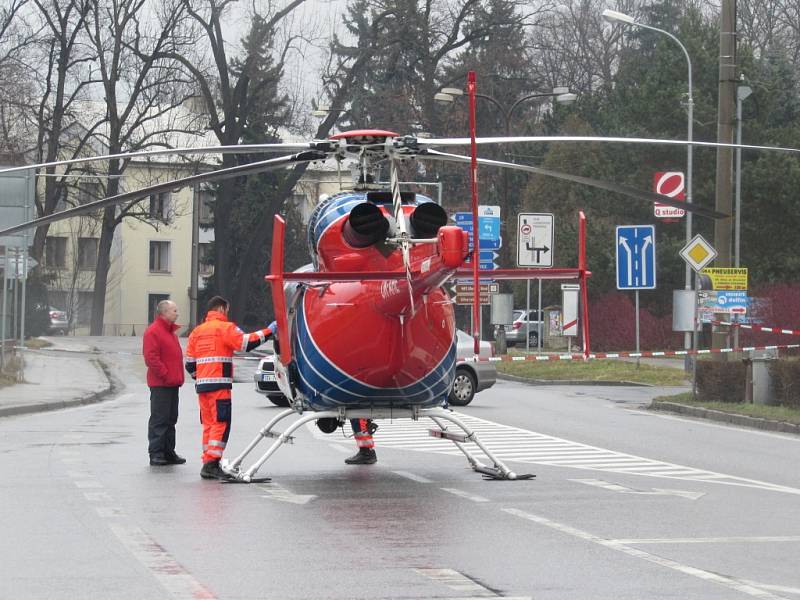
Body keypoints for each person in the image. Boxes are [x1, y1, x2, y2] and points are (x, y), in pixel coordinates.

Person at [185, 296, 275, 480]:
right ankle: (212, 463)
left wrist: (200, 377)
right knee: (220, 424)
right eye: (227, 310)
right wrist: (270, 331)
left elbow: (189, 364)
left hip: (202, 387)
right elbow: (247, 342)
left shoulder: (197, 332)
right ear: (221, 309)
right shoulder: (225, 328)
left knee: (209, 425)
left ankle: (208, 462)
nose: (228, 313)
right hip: (219, 386)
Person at [142, 300, 186, 466]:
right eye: (174, 310)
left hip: (172, 382)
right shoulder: (153, 332)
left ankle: (168, 451)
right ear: (164, 313)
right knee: (159, 419)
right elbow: (151, 358)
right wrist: (166, 375)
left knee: (171, 419)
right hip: (161, 383)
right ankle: (156, 453)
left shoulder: (170, 333)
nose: (177, 313)